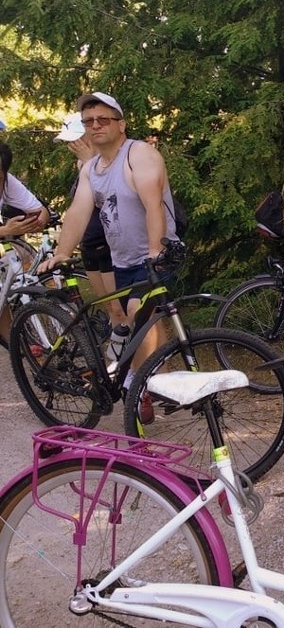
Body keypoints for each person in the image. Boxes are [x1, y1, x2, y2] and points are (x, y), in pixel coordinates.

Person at [40, 92, 179, 421]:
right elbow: (78, 212)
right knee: (125, 320)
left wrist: (156, 251)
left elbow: (153, 204)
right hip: (122, 259)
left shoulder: (139, 154)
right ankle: (136, 379)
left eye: (103, 119)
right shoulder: (92, 168)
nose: (95, 126)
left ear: (121, 124)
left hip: (157, 255)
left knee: (137, 312)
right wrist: (62, 252)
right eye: (89, 122)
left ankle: (141, 382)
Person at [53, 112, 127, 330]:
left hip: (109, 245)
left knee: (120, 307)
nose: (73, 146)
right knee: (109, 308)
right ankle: (118, 360)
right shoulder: (83, 165)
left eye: (76, 140)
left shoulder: (113, 162)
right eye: (69, 142)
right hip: (90, 244)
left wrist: (89, 162)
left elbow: (110, 202)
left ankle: (132, 359)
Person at [0, 142, 50, 344]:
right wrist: (5, 230)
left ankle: (16, 349)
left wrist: (37, 221)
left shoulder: (8, 181)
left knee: (2, 299)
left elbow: (40, 210)